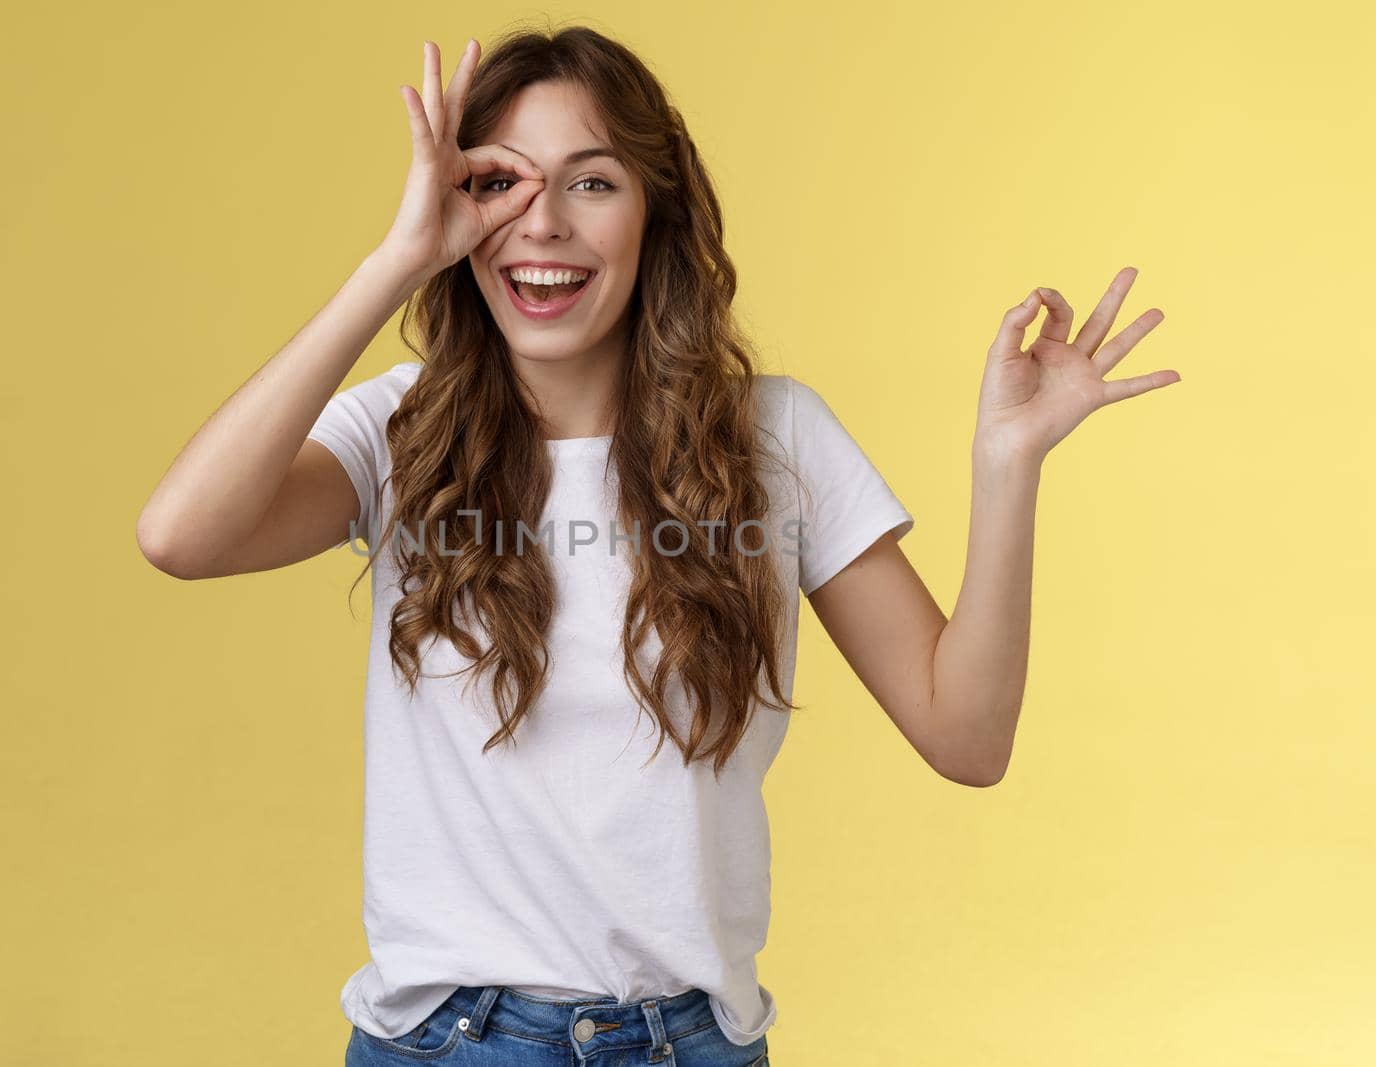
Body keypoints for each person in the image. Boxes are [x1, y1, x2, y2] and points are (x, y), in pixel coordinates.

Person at [135, 25, 1180, 1067]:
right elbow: (180, 534)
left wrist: (1007, 465)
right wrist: (396, 260)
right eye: (499, 183)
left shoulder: (774, 436)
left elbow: (968, 737)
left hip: (692, 1043)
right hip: (452, 1044)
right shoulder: (401, 431)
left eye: (592, 184)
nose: (540, 224)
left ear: (654, 213)